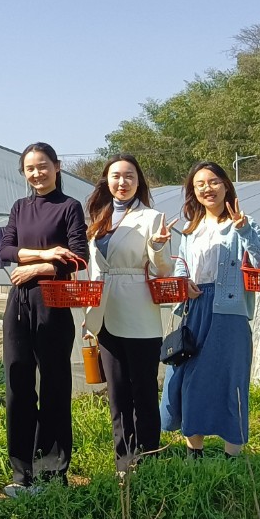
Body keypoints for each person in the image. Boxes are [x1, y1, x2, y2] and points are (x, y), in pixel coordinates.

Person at [160, 161, 260, 460]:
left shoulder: (241, 223)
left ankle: (232, 455)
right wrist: (183, 282)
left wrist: (246, 230)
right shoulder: (191, 230)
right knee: (189, 377)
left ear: (226, 185)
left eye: (213, 182)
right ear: (192, 192)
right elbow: (182, 265)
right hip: (195, 308)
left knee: (229, 378)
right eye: (199, 184)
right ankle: (193, 453)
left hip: (229, 311)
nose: (207, 189)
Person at [0, 142, 89, 494]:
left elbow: (78, 256)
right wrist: (45, 254)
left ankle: (53, 472)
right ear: (24, 173)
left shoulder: (69, 207)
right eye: (30, 168)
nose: (37, 173)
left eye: (43, 166)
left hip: (54, 303)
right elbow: (4, 249)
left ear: (57, 166)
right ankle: (22, 472)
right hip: (19, 305)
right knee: (17, 385)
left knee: (54, 385)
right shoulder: (20, 207)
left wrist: (36, 267)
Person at [82, 157, 179, 474]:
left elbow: (163, 269)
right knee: (117, 390)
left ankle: (149, 455)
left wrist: (158, 246)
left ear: (139, 182)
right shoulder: (99, 218)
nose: (122, 182)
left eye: (129, 177)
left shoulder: (152, 218)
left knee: (144, 389)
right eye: (115, 177)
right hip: (105, 310)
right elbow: (95, 269)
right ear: (106, 181)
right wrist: (88, 313)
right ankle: (123, 459)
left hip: (138, 308)